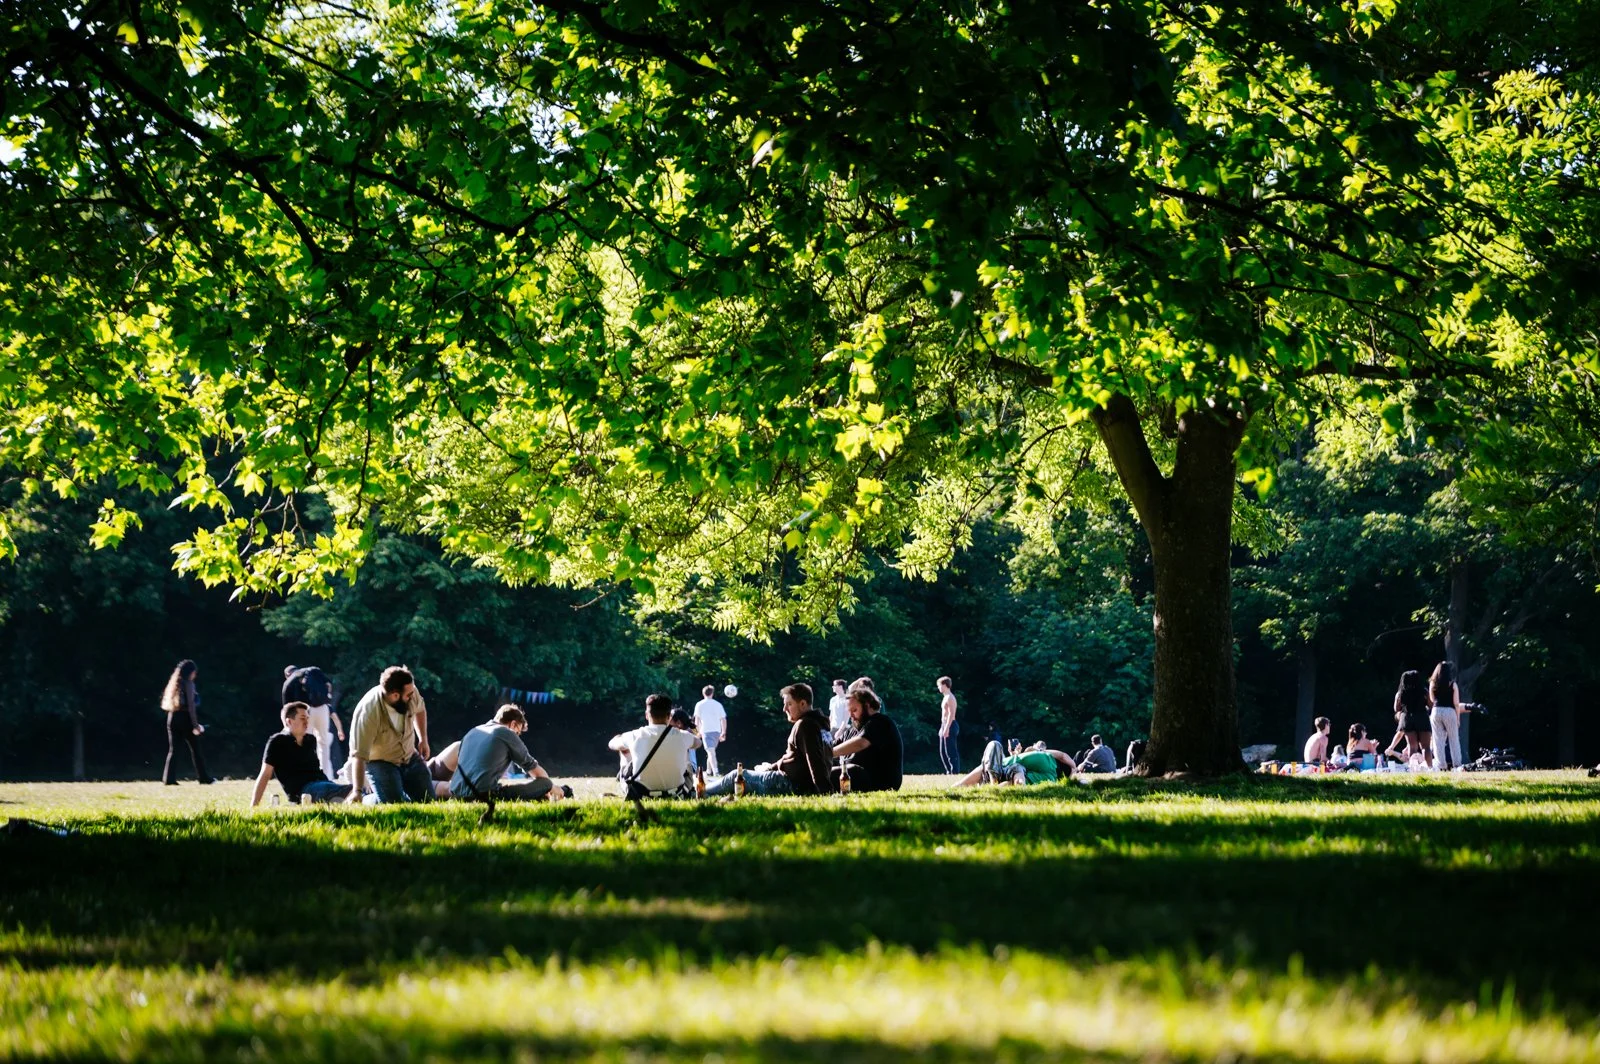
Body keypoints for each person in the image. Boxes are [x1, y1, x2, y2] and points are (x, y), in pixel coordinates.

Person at [703, 684, 831, 796]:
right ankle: (706, 793)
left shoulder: (805, 725)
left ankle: (697, 792)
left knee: (736, 776)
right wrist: (770, 768)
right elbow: (797, 758)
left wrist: (825, 792)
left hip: (789, 784)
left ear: (802, 704)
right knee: (749, 774)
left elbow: (816, 761)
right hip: (796, 782)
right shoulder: (820, 725)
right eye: (784, 704)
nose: (784, 709)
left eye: (789, 704)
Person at [346, 666, 433, 804]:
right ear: (395, 695)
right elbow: (359, 755)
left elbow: (420, 709)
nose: (413, 695)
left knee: (428, 801)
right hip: (381, 762)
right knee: (394, 803)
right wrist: (357, 791)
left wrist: (423, 739)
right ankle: (367, 800)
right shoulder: (369, 711)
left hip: (409, 755)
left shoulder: (410, 691)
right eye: (409, 695)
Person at [452, 704, 566, 802]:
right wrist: (551, 787)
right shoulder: (505, 733)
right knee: (545, 783)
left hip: (456, 793)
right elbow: (534, 770)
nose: (517, 736)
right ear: (513, 724)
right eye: (518, 732)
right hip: (484, 795)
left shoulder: (472, 732)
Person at [250, 702, 352, 807]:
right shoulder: (277, 741)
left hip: (321, 783)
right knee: (346, 790)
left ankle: (348, 797)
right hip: (303, 790)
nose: (307, 722)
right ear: (289, 721)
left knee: (352, 789)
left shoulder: (310, 740)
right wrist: (254, 805)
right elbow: (266, 773)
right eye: (302, 718)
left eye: (307, 718)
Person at [611, 694, 703, 797]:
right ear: (669, 716)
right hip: (676, 793)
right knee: (686, 753)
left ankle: (630, 783)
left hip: (641, 793)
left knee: (623, 749)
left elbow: (612, 744)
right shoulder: (682, 736)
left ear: (647, 715)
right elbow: (698, 743)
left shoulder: (634, 735)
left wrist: (620, 738)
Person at [830, 686, 904, 792]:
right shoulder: (854, 728)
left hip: (878, 781)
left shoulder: (880, 722)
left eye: (854, 710)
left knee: (834, 774)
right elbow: (834, 744)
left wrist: (828, 753)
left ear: (867, 705)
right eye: (849, 711)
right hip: (856, 775)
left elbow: (860, 743)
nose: (851, 715)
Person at [282, 664, 343, 781]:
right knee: (324, 744)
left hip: (306, 712)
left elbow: (287, 709)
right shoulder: (313, 671)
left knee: (306, 743)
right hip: (322, 708)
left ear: (286, 675)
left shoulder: (289, 683)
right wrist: (326, 698)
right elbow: (328, 685)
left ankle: (307, 774)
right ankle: (326, 776)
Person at [160, 659, 213, 785]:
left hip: (172, 717)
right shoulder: (188, 684)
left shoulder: (174, 684)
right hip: (185, 719)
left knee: (173, 750)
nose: (195, 675)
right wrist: (195, 725)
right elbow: (191, 706)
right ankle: (203, 777)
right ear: (190, 672)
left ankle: (169, 779)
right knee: (196, 749)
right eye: (194, 672)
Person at [955, 739, 1074, 787]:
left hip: (999, 775)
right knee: (1017, 770)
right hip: (1009, 781)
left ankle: (958, 786)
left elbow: (1063, 756)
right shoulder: (1052, 779)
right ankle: (991, 785)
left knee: (995, 745)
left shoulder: (1045, 758)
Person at [1429, 661, 1468, 771]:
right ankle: (1457, 765)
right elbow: (1456, 703)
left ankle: (1441, 765)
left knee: (1438, 740)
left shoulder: (1432, 684)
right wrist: (1458, 719)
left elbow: (1432, 700)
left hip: (1436, 711)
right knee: (1454, 739)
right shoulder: (1453, 684)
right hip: (1449, 711)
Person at [1393, 670, 1431, 763]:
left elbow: (1396, 709)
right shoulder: (1424, 691)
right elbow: (1431, 704)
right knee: (1426, 747)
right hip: (1422, 716)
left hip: (1407, 718)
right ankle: (1429, 768)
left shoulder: (1400, 693)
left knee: (1412, 747)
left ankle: (1413, 769)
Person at [693, 685, 728, 776]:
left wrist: (698, 731)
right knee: (711, 752)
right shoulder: (718, 704)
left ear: (703, 693)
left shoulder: (699, 704)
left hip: (706, 731)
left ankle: (712, 771)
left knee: (711, 752)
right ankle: (713, 771)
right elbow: (723, 719)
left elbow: (697, 720)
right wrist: (723, 732)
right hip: (716, 731)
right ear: (712, 693)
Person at [937, 675, 960, 774]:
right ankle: (948, 771)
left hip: (950, 725)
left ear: (945, 685)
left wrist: (946, 729)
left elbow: (951, 714)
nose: (938, 687)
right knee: (942, 751)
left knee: (951, 751)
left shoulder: (950, 697)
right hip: (944, 725)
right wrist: (942, 728)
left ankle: (954, 772)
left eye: (939, 685)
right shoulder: (945, 697)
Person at [826, 679, 850, 744]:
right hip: (832, 728)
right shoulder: (832, 700)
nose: (832, 687)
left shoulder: (847, 700)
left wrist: (840, 731)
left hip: (843, 729)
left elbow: (846, 718)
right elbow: (831, 716)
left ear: (840, 687)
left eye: (834, 685)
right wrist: (828, 727)